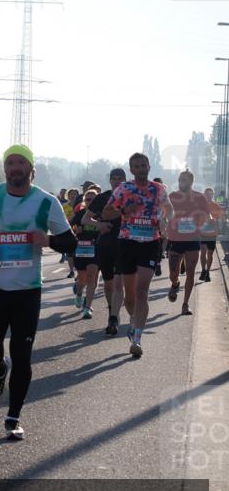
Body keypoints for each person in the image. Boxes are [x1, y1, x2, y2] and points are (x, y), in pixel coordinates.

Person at [0, 144, 75, 440]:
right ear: (5, 169)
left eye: (21, 163)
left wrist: (46, 240)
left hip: (27, 291)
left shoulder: (46, 202)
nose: (15, 168)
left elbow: (70, 242)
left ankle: (13, 417)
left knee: (22, 355)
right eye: (10, 163)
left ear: (31, 170)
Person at [102, 153, 171, 358]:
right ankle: (133, 321)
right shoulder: (124, 189)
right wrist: (124, 209)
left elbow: (169, 210)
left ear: (149, 166)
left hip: (150, 244)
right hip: (127, 242)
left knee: (142, 291)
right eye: (137, 166)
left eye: (144, 165)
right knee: (130, 297)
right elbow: (106, 213)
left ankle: (138, 338)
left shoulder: (159, 190)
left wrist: (164, 221)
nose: (141, 169)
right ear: (131, 170)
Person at [86, 168, 127, 335]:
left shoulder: (130, 197)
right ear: (110, 181)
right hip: (106, 245)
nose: (117, 181)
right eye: (114, 178)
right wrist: (100, 225)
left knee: (118, 282)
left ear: (125, 180)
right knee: (108, 283)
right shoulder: (102, 198)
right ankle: (112, 311)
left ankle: (114, 318)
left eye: (120, 178)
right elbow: (85, 219)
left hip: (125, 245)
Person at [166, 171, 208, 315]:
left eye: (183, 180)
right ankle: (175, 283)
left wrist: (198, 222)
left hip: (192, 239)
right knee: (173, 272)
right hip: (175, 239)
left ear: (191, 181)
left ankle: (185, 304)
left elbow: (206, 216)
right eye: (179, 179)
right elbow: (165, 214)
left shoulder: (200, 197)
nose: (180, 182)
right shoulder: (172, 196)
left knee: (190, 272)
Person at [71, 189, 101, 319]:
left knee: (91, 277)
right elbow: (68, 227)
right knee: (82, 279)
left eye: (94, 199)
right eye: (88, 199)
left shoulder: (101, 215)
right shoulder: (80, 214)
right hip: (81, 249)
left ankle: (87, 307)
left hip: (95, 250)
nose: (91, 202)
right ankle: (78, 294)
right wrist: (76, 230)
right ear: (85, 201)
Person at [199, 187, 225, 282]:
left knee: (210, 254)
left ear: (213, 195)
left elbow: (221, 219)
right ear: (204, 195)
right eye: (207, 194)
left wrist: (216, 223)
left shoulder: (216, 206)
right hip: (202, 233)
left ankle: (208, 272)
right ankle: (203, 270)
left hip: (212, 234)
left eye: (211, 194)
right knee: (203, 252)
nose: (209, 196)